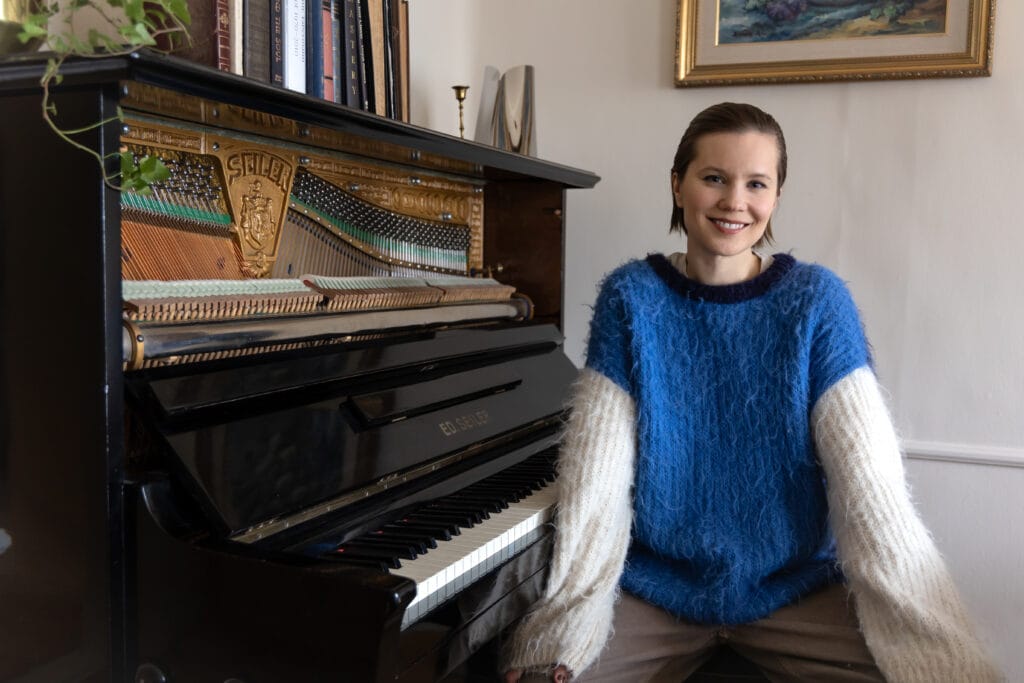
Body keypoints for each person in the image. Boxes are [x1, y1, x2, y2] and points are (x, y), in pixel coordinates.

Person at [501, 102, 1001, 682]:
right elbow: (596, 481)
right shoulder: (630, 297)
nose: (734, 201)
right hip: (656, 590)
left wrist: (939, 643)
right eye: (713, 178)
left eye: (756, 184)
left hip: (790, 592)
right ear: (678, 185)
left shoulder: (816, 302)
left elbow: (871, 491)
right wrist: (564, 626)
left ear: (776, 197)